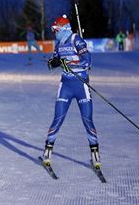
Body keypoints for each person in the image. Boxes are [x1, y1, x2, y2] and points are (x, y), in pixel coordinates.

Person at [43, 15, 101, 168]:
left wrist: (70, 63)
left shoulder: (76, 40)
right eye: (54, 31)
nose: (55, 33)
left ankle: (95, 155)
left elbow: (87, 60)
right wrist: (53, 62)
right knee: (58, 118)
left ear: (64, 29)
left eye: (56, 30)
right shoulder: (59, 44)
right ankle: (47, 152)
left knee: (87, 120)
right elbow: (53, 61)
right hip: (66, 86)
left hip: (81, 85)